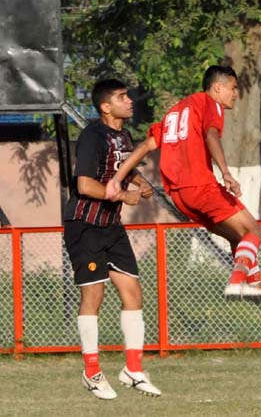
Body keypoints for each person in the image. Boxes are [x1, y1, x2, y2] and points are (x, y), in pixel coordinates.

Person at [107, 66, 261, 321]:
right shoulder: (210, 104)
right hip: (201, 186)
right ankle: (237, 281)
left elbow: (146, 146)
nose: (235, 94)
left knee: (238, 239)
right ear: (217, 87)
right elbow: (211, 135)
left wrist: (117, 179)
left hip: (181, 196)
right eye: (233, 88)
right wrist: (226, 172)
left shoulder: (175, 112)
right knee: (254, 232)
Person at [63, 78, 161, 400]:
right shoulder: (92, 136)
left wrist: (140, 182)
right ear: (105, 107)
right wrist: (123, 196)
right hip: (85, 225)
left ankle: (133, 369)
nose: (129, 100)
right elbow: (85, 185)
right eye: (122, 97)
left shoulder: (123, 135)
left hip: (111, 226)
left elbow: (123, 166)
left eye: (128, 95)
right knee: (94, 295)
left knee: (133, 293)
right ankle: (92, 373)